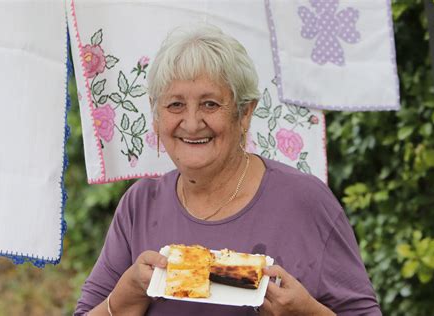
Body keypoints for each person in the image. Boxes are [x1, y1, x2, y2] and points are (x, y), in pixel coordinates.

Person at [74, 25, 381, 316]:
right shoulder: (140, 204)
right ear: (156, 116)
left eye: (210, 104)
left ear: (244, 113)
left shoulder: (305, 201)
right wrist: (126, 295)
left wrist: (308, 313)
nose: (192, 123)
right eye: (175, 105)